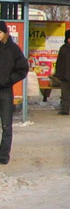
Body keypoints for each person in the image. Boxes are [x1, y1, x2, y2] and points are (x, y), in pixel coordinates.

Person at [0, 20, 29, 165]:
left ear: (5, 33)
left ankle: (4, 155)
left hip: (5, 91)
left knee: (6, 125)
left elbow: (23, 68)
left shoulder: (13, 49)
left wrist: (9, 80)